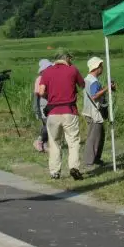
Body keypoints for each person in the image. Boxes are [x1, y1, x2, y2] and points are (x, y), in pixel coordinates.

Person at [38, 48, 85, 180]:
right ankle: (74, 167)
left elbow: (41, 92)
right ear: (66, 58)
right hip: (69, 111)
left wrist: (51, 96)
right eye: (70, 58)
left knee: (54, 143)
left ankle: (55, 172)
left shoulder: (47, 72)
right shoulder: (73, 70)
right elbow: (82, 85)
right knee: (73, 141)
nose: (71, 61)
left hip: (53, 112)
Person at [82, 56, 114, 168]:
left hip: (89, 111)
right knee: (94, 137)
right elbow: (94, 96)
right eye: (101, 66)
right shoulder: (93, 81)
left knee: (99, 136)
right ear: (97, 67)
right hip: (93, 112)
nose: (102, 68)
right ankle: (89, 161)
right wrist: (107, 88)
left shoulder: (87, 79)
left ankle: (96, 158)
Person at [33, 59, 52, 153]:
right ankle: (39, 140)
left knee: (50, 124)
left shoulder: (50, 77)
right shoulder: (39, 79)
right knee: (47, 124)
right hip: (43, 104)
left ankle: (44, 144)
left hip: (50, 104)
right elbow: (38, 93)